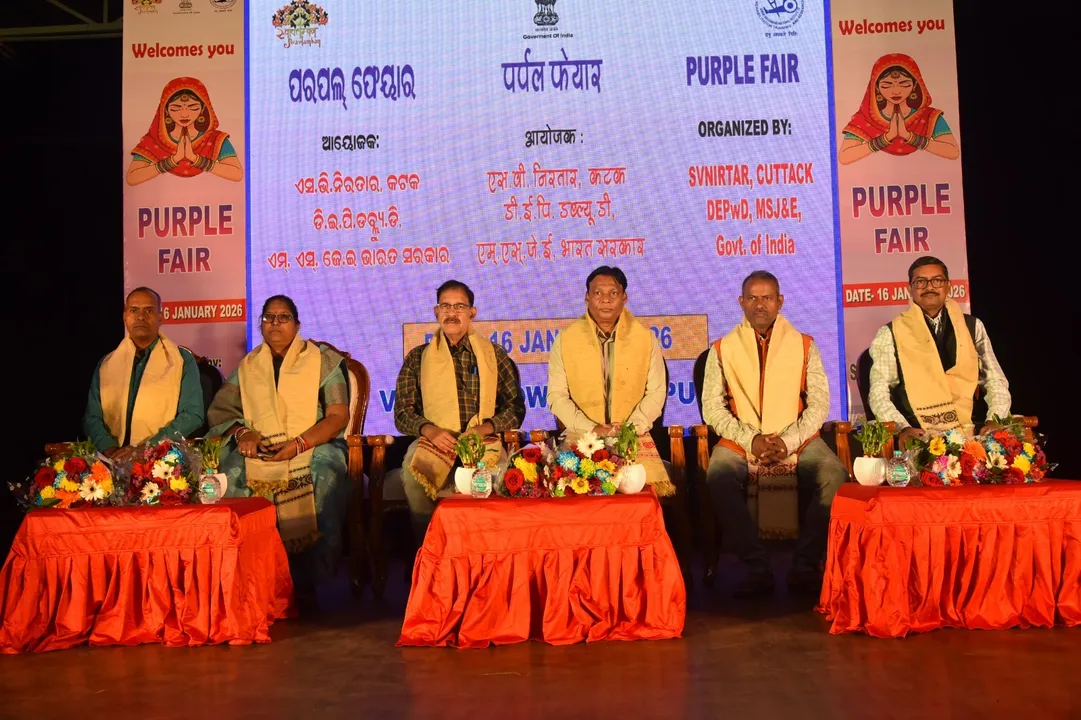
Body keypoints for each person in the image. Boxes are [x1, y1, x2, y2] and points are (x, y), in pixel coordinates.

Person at [702, 271, 847, 597]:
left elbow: (819, 404)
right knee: (718, 476)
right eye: (752, 298)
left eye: (767, 297)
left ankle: (805, 564)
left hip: (797, 438)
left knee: (834, 473)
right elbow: (713, 410)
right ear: (741, 302)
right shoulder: (721, 349)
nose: (760, 305)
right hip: (742, 440)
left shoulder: (805, 345)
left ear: (780, 301)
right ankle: (757, 565)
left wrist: (789, 440)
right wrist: (750, 439)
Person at [207, 295, 350, 610]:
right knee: (231, 476)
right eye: (268, 317)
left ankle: (305, 584)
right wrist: (244, 432)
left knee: (323, 476)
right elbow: (220, 411)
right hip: (262, 446)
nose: (274, 323)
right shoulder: (249, 365)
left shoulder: (324, 360)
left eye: (283, 317)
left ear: (297, 325)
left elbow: (338, 416)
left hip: (313, 443)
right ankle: (250, 580)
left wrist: (298, 444)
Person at [394, 280, 526, 540]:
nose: (451, 313)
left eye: (459, 306)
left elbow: (515, 408)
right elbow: (401, 413)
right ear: (436, 312)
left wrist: (484, 429)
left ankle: (487, 555)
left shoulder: (494, 355)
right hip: (433, 442)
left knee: (502, 479)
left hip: (481, 441)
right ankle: (430, 551)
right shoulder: (418, 358)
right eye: (445, 306)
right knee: (413, 477)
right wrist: (430, 430)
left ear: (472, 312)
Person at [547, 266, 674, 496]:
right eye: (598, 293)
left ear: (624, 297)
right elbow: (557, 396)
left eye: (613, 293)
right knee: (573, 490)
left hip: (631, 436)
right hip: (582, 435)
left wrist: (628, 430)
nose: (605, 300)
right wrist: (592, 428)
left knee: (641, 493)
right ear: (587, 297)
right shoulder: (565, 340)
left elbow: (656, 393)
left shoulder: (646, 339)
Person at [869, 256, 1011, 447]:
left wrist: (994, 420)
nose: (929, 287)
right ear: (909, 288)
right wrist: (903, 428)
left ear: (948, 286)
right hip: (919, 435)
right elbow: (878, 393)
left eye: (937, 280)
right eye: (920, 282)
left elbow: (995, 381)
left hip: (972, 433)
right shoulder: (889, 333)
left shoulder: (972, 326)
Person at [83, 287, 204, 462]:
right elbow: (92, 417)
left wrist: (147, 448)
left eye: (149, 310)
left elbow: (193, 415)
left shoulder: (181, 360)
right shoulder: (107, 364)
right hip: (110, 459)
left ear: (160, 317)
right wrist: (110, 450)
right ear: (125, 316)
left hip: (162, 459)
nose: (141, 316)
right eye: (134, 310)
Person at [839, 53, 959, 165]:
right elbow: (844, 157)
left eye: (904, 84)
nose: (896, 91)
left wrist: (908, 136)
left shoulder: (928, 117)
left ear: (915, 85)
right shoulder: (866, 118)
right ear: (876, 87)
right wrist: (886, 138)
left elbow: (953, 152)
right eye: (886, 85)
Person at [126, 77, 244, 186]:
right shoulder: (154, 140)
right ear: (165, 110)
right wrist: (173, 160)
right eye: (175, 108)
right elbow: (132, 178)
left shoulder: (215, 139)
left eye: (193, 107)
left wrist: (195, 159)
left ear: (203, 108)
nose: (184, 114)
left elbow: (237, 174)